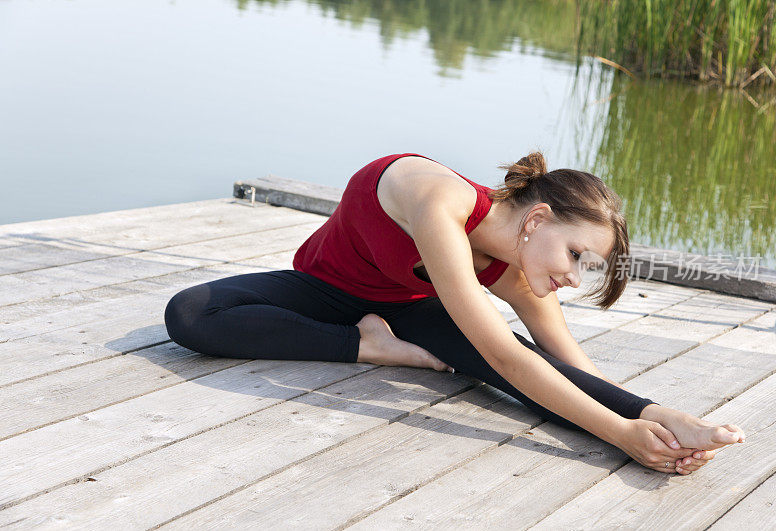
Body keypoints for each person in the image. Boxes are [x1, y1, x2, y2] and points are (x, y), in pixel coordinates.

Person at [164, 152, 745, 475]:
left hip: (412, 310)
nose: (573, 276)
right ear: (537, 219)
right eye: (575, 255)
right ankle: (369, 345)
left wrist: (652, 419)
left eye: (585, 266)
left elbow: (561, 363)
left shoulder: (514, 259)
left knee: (535, 376)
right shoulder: (441, 203)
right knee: (189, 314)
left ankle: (676, 420)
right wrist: (621, 433)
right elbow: (499, 351)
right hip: (323, 288)